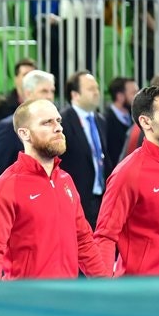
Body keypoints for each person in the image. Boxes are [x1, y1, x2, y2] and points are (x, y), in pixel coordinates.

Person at [0, 97, 109, 279]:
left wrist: (104, 284)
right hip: (27, 301)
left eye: (58, 121)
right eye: (47, 123)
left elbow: (83, 240)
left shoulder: (65, 180)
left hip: (67, 297)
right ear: (25, 134)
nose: (58, 127)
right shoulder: (6, 186)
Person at [92, 83, 159, 275]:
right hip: (142, 291)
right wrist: (104, 292)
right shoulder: (128, 172)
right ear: (146, 122)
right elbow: (105, 237)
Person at [0, 69, 57, 188]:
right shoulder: (8, 128)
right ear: (28, 93)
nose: (49, 96)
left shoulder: (56, 126)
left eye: (52, 91)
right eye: (44, 91)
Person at [61, 70, 111, 223]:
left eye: (96, 88)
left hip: (100, 198)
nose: (96, 92)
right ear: (75, 94)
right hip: (75, 199)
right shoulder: (63, 121)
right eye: (90, 89)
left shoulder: (100, 120)